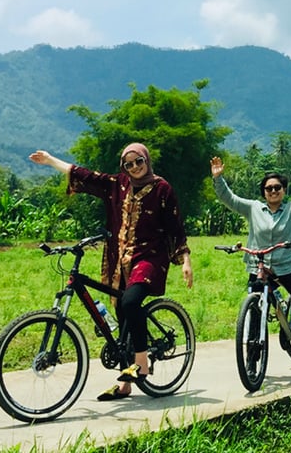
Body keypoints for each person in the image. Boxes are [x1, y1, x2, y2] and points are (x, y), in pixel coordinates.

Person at [29, 145, 193, 401]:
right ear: (123, 167)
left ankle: (142, 362)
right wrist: (50, 161)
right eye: (128, 164)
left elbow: (175, 225)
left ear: (146, 160)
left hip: (150, 258)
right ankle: (125, 385)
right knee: (122, 314)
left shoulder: (162, 189)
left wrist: (185, 260)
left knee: (130, 301)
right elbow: (84, 175)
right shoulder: (117, 185)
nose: (135, 167)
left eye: (139, 161)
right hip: (120, 261)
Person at [211, 155, 291, 362]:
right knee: (255, 309)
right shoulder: (253, 208)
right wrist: (218, 178)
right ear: (263, 192)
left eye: (277, 187)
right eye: (269, 188)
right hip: (259, 266)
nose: (273, 191)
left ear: (283, 190)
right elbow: (229, 198)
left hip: (286, 266)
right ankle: (252, 358)